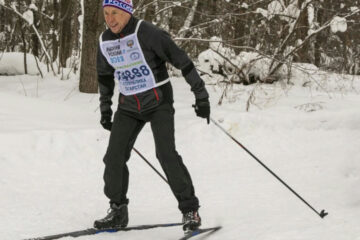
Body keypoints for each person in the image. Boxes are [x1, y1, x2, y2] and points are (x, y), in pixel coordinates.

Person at [94, 0, 210, 233]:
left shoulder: (148, 33)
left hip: (158, 102)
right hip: (128, 106)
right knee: (113, 157)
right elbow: (105, 76)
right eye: (106, 13)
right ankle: (118, 210)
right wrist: (105, 108)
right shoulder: (105, 41)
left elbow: (182, 61)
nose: (110, 19)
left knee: (166, 154)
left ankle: (189, 209)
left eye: (115, 13)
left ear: (127, 12)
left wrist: (201, 95)